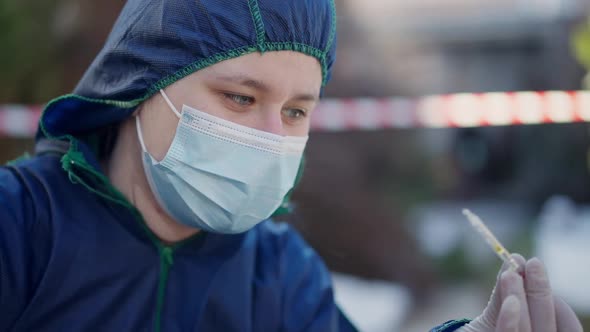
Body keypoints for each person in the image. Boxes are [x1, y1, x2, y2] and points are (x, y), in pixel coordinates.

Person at [0, 1, 582, 331]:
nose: (271, 138)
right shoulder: (21, 228)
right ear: (142, 82)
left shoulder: (278, 274)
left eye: (297, 110)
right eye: (240, 98)